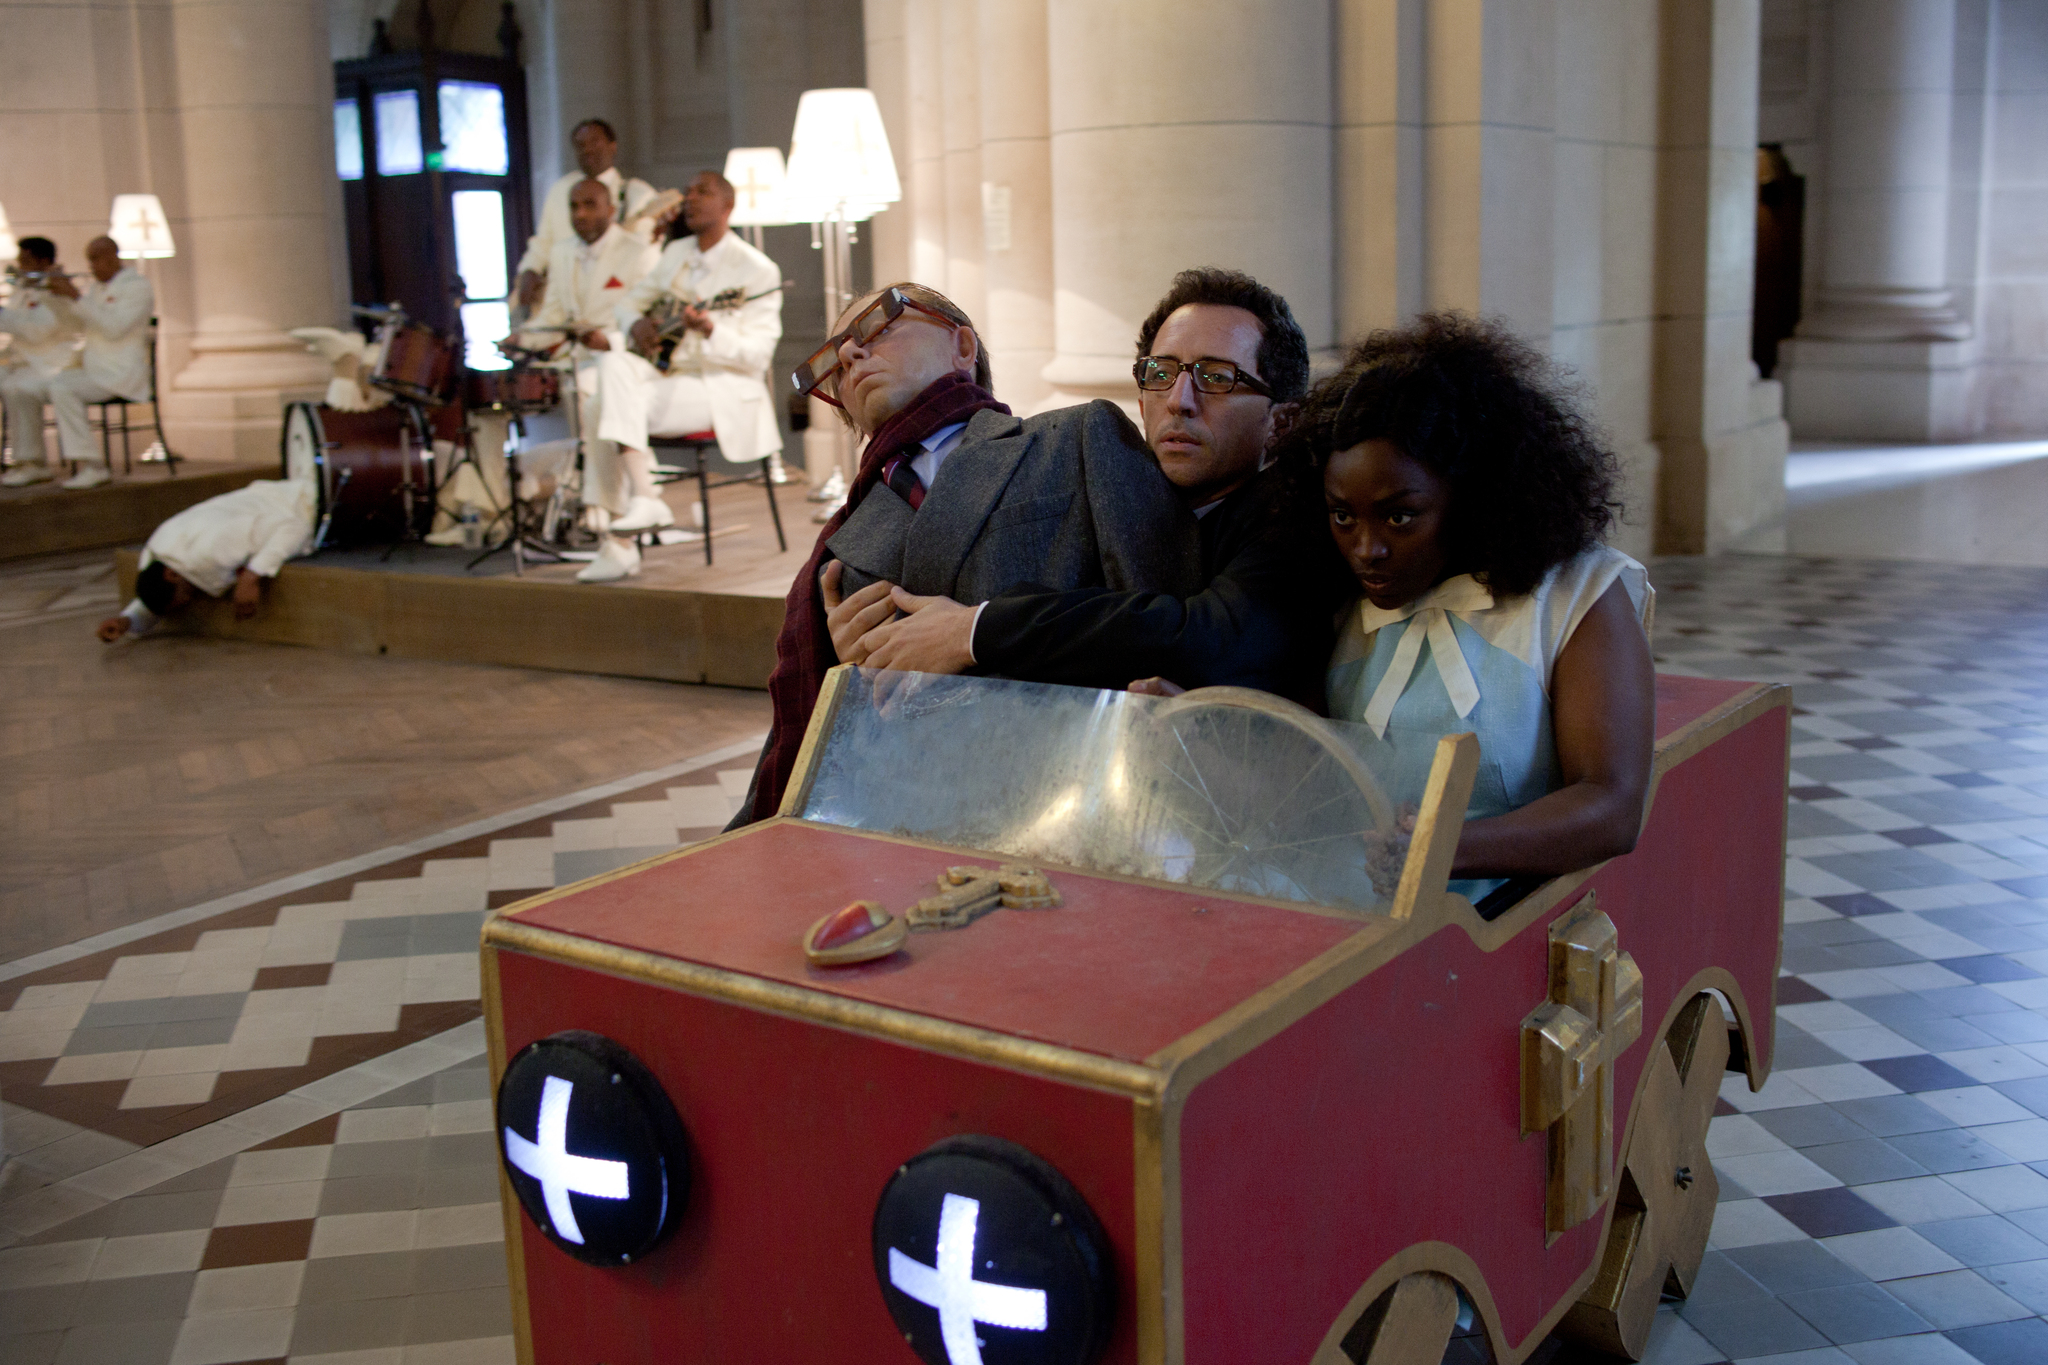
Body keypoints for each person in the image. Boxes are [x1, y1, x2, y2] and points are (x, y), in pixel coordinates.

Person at [731, 281, 1204, 825]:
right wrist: (847, 680)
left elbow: (1172, 621)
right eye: (834, 361)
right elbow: (822, 735)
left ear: (962, 346)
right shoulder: (841, 545)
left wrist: (977, 636)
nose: (849, 354)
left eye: (876, 327)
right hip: (904, 817)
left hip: (1080, 792)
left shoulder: (1071, 438)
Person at [843, 268, 1352, 708]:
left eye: (1216, 378)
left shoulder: (1299, 515)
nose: (1179, 401)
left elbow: (1209, 637)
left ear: (1282, 422)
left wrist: (977, 630)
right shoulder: (1111, 486)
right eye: (1160, 372)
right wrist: (874, 644)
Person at [1301, 313, 1654, 895]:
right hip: (1339, 912)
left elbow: (1612, 805)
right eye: (1343, 516)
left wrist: (1442, 850)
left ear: (1472, 496)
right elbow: (1307, 775)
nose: (1368, 550)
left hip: (1503, 927)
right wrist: (1213, 727)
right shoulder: (1335, 598)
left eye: (1400, 516)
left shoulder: (1573, 593)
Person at [579, 171, 783, 583]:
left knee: (603, 406)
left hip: (720, 385)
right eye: (688, 191)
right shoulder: (675, 253)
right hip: (669, 375)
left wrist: (712, 331)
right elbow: (628, 303)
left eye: (702, 192)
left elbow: (758, 356)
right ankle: (645, 498)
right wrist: (636, 322)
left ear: (727, 206)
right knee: (612, 368)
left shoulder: (757, 269)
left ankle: (620, 541)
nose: (690, 198)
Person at [432, 177, 659, 542]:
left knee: (592, 390)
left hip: (617, 363)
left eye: (589, 205)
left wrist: (610, 341)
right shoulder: (563, 251)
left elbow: (650, 320)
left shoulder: (639, 252)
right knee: (487, 405)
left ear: (611, 210)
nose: (580, 214)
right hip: (564, 360)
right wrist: (521, 338)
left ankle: (603, 514)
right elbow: (551, 315)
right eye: (573, 207)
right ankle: (496, 511)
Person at [96, 478, 317, 641]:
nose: (189, 601)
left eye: (184, 597)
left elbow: (294, 527)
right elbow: (157, 597)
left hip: (305, 502)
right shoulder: (156, 556)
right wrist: (127, 621)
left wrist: (252, 575)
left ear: (172, 574)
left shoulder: (212, 550)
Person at [36, 235, 156, 490]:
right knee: (52, 384)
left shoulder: (137, 287)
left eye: (96, 259)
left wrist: (77, 297)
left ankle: (93, 466)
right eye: (89, 260)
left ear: (113, 256)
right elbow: (77, 325)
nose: (91, 266)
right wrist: (56, 297)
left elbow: (114, 328)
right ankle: (41, 463)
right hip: (96, 371)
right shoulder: (97, 290)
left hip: (121, 374)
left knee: (62, 388)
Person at [513, 118, 662, 315]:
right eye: (580, 145)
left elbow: (640, 248)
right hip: (564, 289)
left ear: (613, 146)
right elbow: (544, 240)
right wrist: (530, 269)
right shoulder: (561, 189)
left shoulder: (637, 193)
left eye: (594, 142)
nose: (587, 150)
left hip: (612, 295)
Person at [0, 237, 85, 487]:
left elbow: (37, 331)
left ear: (43, 261)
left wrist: (4, 316)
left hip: (50, 364)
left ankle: (32, 463)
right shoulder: (22, 291)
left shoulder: (55, 290)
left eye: (26, 261)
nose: (21, 266)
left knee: (17, 390)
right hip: (22, 362)